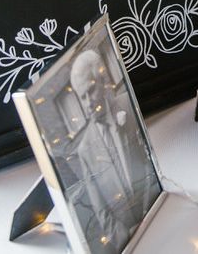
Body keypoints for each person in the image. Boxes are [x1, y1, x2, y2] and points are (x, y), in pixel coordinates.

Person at [66, 49, 160, 254]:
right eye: (82, 97)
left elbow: (149, 160)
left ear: (103, 81)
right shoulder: (84, 150)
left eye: (91, 90)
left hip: (159, 211)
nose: (88, 102)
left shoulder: (128, 105)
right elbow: (101, 212)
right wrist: (128, 238)